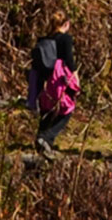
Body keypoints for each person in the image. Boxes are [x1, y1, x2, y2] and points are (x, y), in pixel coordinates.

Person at [26, 13, 81, 158]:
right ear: (66, 24)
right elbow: (69, 60)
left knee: (47, 109)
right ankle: (47, 137)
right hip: (59, 80)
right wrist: (75, 77)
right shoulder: (65, 39)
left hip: (43, 80)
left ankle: (40, 138)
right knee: (67, 109)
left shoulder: (43, 40)